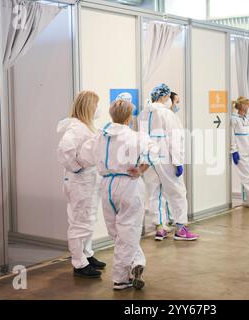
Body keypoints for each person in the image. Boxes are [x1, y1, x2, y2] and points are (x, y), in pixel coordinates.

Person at [79, 99, 159, 290]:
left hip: (107, 185)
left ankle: (135, 261)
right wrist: (141, 169)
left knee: (115, 231)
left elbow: (85, 156)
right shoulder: (137, 136)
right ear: (129, 117)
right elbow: (154, 153)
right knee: (128, 230)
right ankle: (121, 278)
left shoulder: (99, 136)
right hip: (129, 184)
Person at [139, 84, 199, 241]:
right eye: (172, 100)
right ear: (164, 97)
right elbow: (175, 139)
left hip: (148, 157)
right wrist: (178, 161)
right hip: (165, 156)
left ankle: (159, 227)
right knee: (178, 192)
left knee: (154, 193)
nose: (173, 103)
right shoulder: (167, 114)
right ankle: (181, 228)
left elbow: (141, 137)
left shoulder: (143, 113)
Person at [57, 91, 106, 279]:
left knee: (88, 220)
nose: (98, 109)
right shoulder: (76, 129)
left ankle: (87, 255)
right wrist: (76, 167)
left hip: (88, 182)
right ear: (88, 107)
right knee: (79, 222)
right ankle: (79, 263)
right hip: (80, 182)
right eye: (96, 105)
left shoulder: (86, 126)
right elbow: (65, 150)